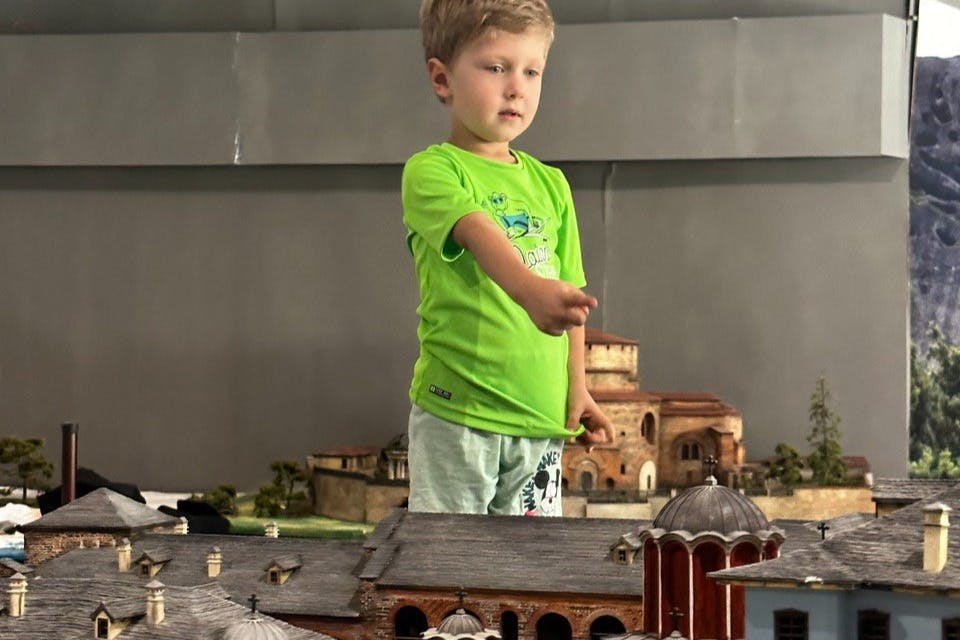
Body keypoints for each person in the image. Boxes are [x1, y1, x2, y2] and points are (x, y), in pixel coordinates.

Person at [402, 0, 614, 516]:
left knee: (526, 575)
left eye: (532, 70)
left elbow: (570, 295)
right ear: (442, 78)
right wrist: (528, 290)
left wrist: (578, 387)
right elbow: (478, 233)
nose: (516, 86)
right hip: (460, 415)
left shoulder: (552, 184)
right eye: (496, 67)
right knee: (449, 571)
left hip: (539, 424)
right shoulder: (433, 171)